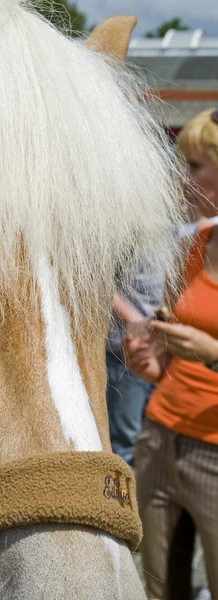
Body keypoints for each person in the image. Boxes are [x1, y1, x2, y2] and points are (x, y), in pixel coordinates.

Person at [125, 108, 218, 599]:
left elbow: (205, 349)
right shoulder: (196, 243)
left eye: (195, 166)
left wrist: (213, 353)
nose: (182, 181)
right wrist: (150, 363)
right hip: (160, 436)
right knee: (161, 587)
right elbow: (170, 357)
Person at [106, 263, 164, 467]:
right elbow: (98, 279)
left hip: (158, 347)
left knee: (152, 432)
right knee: (125, 436)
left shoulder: (178, 231)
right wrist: (133, 319)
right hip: (125, 348)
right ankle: (120, 496)